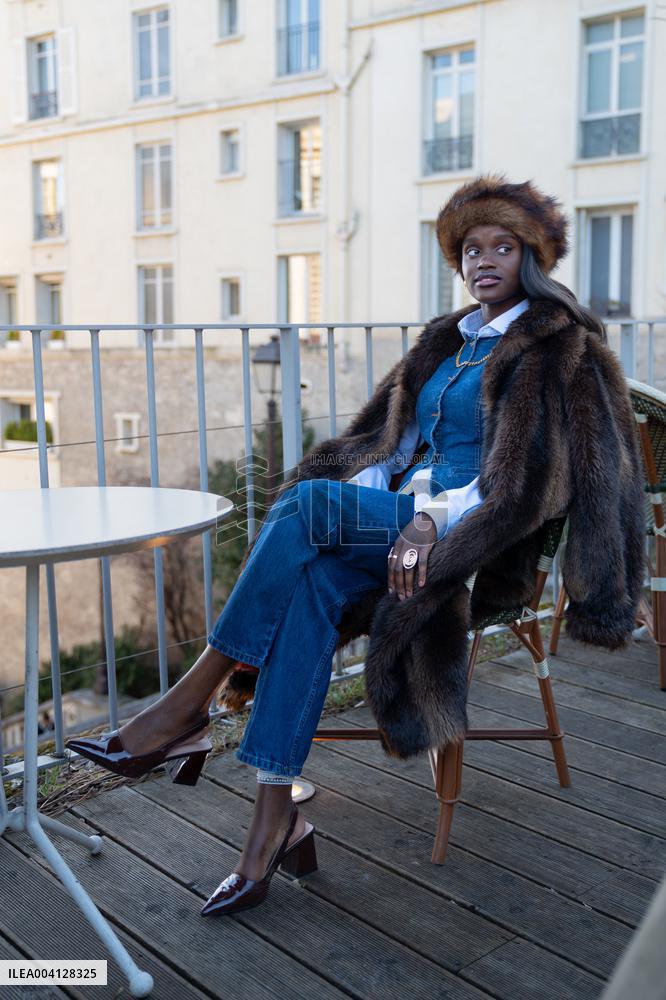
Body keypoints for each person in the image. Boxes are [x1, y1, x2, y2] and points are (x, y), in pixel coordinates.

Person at [67, 175, 643, 917]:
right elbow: (383, 443)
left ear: (533, 256)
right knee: (309, 578)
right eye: (471, 248)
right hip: (388, 524)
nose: (484, 260)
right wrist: (382, 500)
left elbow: (551, 482)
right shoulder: (446, 341)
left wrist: (436, 521)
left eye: (504, 246)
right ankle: (277, 822)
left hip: (468, 542)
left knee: (306, 505)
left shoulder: (562, 349)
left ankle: (184, 709)